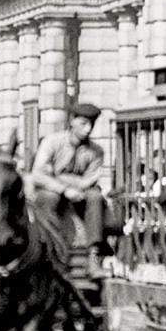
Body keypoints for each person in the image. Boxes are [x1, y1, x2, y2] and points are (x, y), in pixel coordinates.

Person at [28, 101, 108, 275]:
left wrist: (61, 178)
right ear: (72, 121)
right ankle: (51, 252)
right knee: (49, 197)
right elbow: (38, 174)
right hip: (52, 194)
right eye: (83, 123)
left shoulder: (96, 152)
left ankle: (93, 257)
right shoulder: (52, 142)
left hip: (79, 196)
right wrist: (64, 188)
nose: (88, 129)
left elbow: (89, 180)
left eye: (91, 124)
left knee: (95, 197)